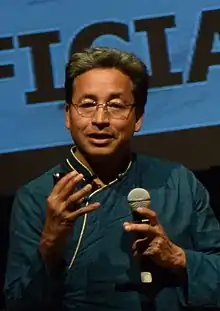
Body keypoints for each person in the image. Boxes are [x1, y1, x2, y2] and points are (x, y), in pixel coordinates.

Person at [4, 46, 220, 311]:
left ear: (138, 118)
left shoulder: (177, 182)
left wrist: (175, 256)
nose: (100, 119)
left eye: (116, 105)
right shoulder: (37, 197)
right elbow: (16, 303)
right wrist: (49, 245)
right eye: (87, 104)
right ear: (68, 116)